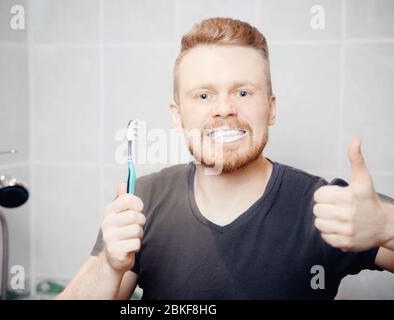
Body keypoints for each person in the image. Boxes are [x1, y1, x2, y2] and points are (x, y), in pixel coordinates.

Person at [57, 17, 394, 299]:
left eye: (243, 92)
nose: (224, 109)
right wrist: (109, 265)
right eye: (203, 95)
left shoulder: (327, 207)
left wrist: (385, 226)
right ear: (177, 117)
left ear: (271, 107)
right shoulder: (141, 202)